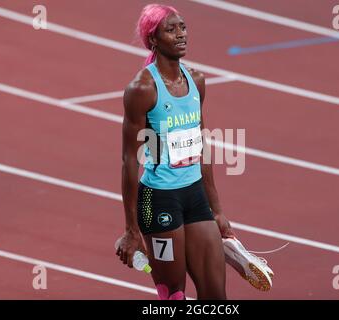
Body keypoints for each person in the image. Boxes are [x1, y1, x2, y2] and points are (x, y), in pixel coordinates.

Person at [115, 4, 235, 300]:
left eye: (182, 27)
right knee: (174, 297)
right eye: (171, 30)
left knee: (216, 296)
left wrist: (217, 210)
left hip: (194, 195)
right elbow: (130, 160)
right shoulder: (142, 89)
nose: (181, 35)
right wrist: (131, 229)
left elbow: (202, 145)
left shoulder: (196, 80)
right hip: (157, 200)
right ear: (153, 39)